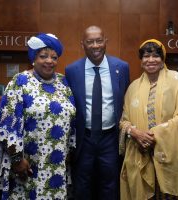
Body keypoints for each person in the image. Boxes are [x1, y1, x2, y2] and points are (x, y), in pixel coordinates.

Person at [0, 33, 76, 199]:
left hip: (57, 164)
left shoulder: (63, 82)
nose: (49, 61)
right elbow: (6, 123)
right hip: (28, 164)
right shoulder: (20, 81)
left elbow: (72, 121)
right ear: (33, 58)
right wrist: (16, 160)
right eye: (43, 56)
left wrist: (68, 153)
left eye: (54, 57)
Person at [119, 39, 178, 200]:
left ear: (163, 58)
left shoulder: (176, 80)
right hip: (140, 153)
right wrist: (135, 133)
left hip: (170, 154)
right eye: (146, 56)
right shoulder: (133, 87)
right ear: (141, 60)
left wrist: (153, 135)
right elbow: (124, 120)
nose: (151, 60)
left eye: (156, 55)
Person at [65, 25, 130, 200]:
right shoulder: (72, 71)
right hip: (83, 138)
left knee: (110, 185)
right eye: (90, 42)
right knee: (82, 186)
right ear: (82, 44)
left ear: (105, 42)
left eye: (99, 41)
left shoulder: (121, 67)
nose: (95, 46)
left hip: (110, 138)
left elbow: (126, 100)